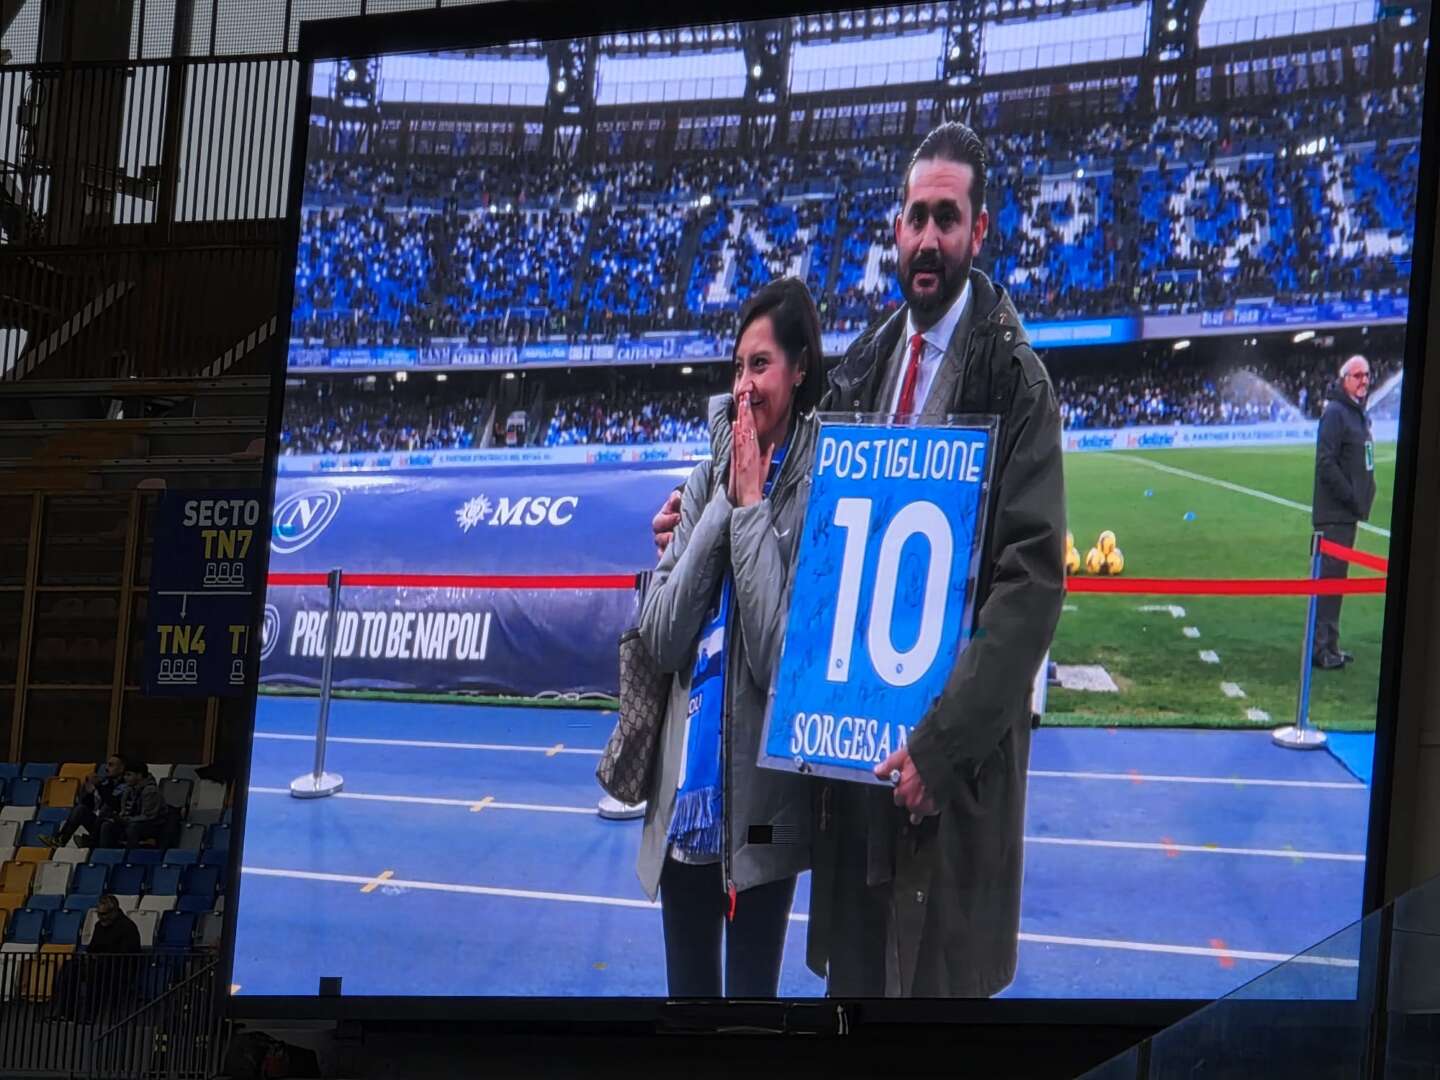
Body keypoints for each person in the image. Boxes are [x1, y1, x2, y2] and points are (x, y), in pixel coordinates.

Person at [653, 121, 1065, 998]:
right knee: (851, 1009)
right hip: (855, 791)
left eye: (946, 218)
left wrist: (942, 750)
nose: (927, 238)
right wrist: (702, 531)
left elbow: (1029, 587)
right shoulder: (862, 374)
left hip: (944, 794)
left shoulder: (1015, 381)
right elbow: (805, 540)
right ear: (894, 229)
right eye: (915, 216)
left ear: (977, 232)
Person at [637, 276, 825, 997]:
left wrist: (750, 511)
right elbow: (660, 637)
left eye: (762, 365)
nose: (744, 385)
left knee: (752, 1013)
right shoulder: (699, 483)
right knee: (688, 1007)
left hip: (766, 815)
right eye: (737, 366)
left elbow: (782, 658)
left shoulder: (815, 493)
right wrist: (722, 502)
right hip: (686, 799)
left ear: (800, 368)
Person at [1311, 354, 1376, 669]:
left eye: (1367, 375)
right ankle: (1322, 650)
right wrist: (1352, 496)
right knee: (1330, 581)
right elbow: (1325, 462)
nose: (1364, 380)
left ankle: (1330, 645)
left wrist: (1367, 493)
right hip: (1335, 515)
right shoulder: (1336, 413)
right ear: (1344, 378)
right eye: (1358, 375)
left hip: (1347, 514)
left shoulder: (1358, 414)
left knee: (1337, 582)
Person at [49, 894, 142, 1022]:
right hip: (97, 963)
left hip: (117, 968)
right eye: (99, 914)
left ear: (114, 911)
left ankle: (89, 1015)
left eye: (104, 914)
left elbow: (127, 953)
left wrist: (101, 957)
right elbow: (92, 948)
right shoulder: (99, 926)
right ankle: (64, 1012)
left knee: (95, 971)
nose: (100, 918)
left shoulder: (128, 927)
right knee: (69, 968)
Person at [42, 755, 124, 849]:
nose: (106, 768)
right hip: (99, 824)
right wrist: (89, 792)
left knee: (106, 811)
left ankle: (92, 842)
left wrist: (99, 786)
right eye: (107, 765)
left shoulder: (126, 785)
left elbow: (114, 804)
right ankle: (60, 840)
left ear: (121, 768)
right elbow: (89, 806)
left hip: (115, 825)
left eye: (111, 765)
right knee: (81, 809)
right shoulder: (105, 782)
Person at [99, 759, 166, 849]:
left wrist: (128, 820)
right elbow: (124, 810)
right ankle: (107, 856)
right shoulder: (129, 789)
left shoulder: (150, 790)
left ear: (139, 775)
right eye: (125, 775)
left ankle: (132, 856)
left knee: (133, 827)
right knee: (107, 825)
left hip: (152, 825)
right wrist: (119, 817)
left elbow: (149, 816)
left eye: (129, 775)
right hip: (132, 821)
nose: (125, 778)